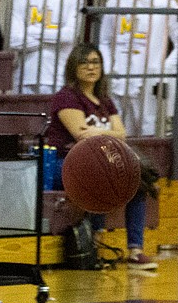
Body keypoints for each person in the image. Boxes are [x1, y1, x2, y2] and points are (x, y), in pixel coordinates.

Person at [46, 43, 157, 270]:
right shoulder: (66, 97)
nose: (90, 67)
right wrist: (107, 134)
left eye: (95, 62)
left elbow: (122, 135)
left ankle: (135, 250)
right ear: (73, 67)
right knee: (102, 178)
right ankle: (94, 245)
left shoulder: (105, 100)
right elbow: (80, 135)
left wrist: (96, 131)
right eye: (84, 62)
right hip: (63, 163)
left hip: (99, 162)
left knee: (137, 182)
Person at [99, 0, 178, 137]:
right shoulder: (114, 3)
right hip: (118, 78)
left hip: (150, 82)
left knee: (148, 133)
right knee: (118, 135)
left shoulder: (165, 4)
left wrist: (162, 69)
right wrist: (107, 68)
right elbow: (103, 41)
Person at [10, 0, 83, 94]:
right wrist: (55, 38)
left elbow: (69, 35)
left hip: (60, 77)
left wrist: (30, 30)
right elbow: (14, 39)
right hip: (25, 76)